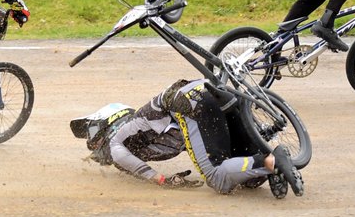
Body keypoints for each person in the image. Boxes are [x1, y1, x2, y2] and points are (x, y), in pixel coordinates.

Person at [71, 79, 304, 198]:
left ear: (110, 120)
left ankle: (270, 160)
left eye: (94, 137)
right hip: (209, 94)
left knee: (217, 179)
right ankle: (274, 166)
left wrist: (161, 180)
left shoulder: (119, 134)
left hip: (190, 104)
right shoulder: (143, 130)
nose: (94, 147)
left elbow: (118, 152)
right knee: (246, 182)